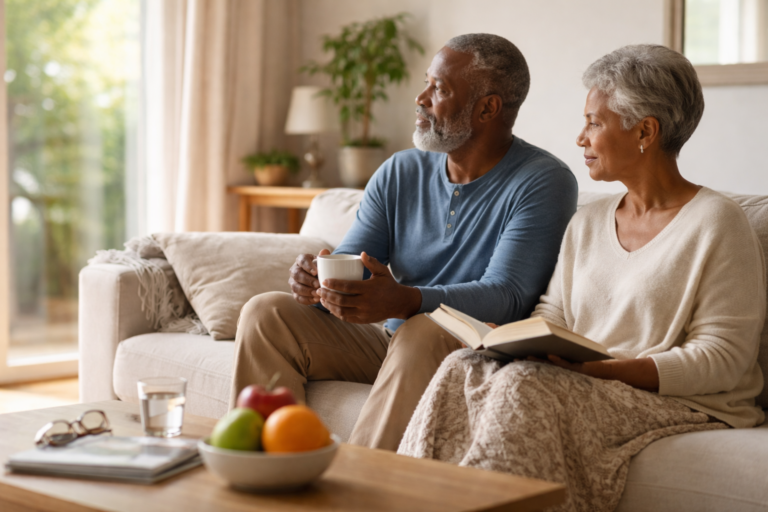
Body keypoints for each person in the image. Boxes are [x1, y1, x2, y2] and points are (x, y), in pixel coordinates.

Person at [398, 44, 766, 512]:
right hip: (590, 380)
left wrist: (600, 370)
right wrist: (511, 340)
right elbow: (554, 312)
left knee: (524, 387)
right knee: (461, 367)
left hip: (685, 401)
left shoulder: (718, 222)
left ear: (645, 131)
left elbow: (723, 359)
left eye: (594, 122)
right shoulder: (589, 220)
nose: (580, 138)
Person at [229, 33, 578, 451]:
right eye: (428, 82)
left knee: (421, 330)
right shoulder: (401, 170)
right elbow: (355, 258)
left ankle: (359, 490)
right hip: (395, 341)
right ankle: (271, 473)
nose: (421, 97)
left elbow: (508, 295)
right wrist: (322, 280)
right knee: (266, 312)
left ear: (488, 108)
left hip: (475, 350)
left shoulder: (543, 181)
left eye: (441, 88)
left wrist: (407, 301)